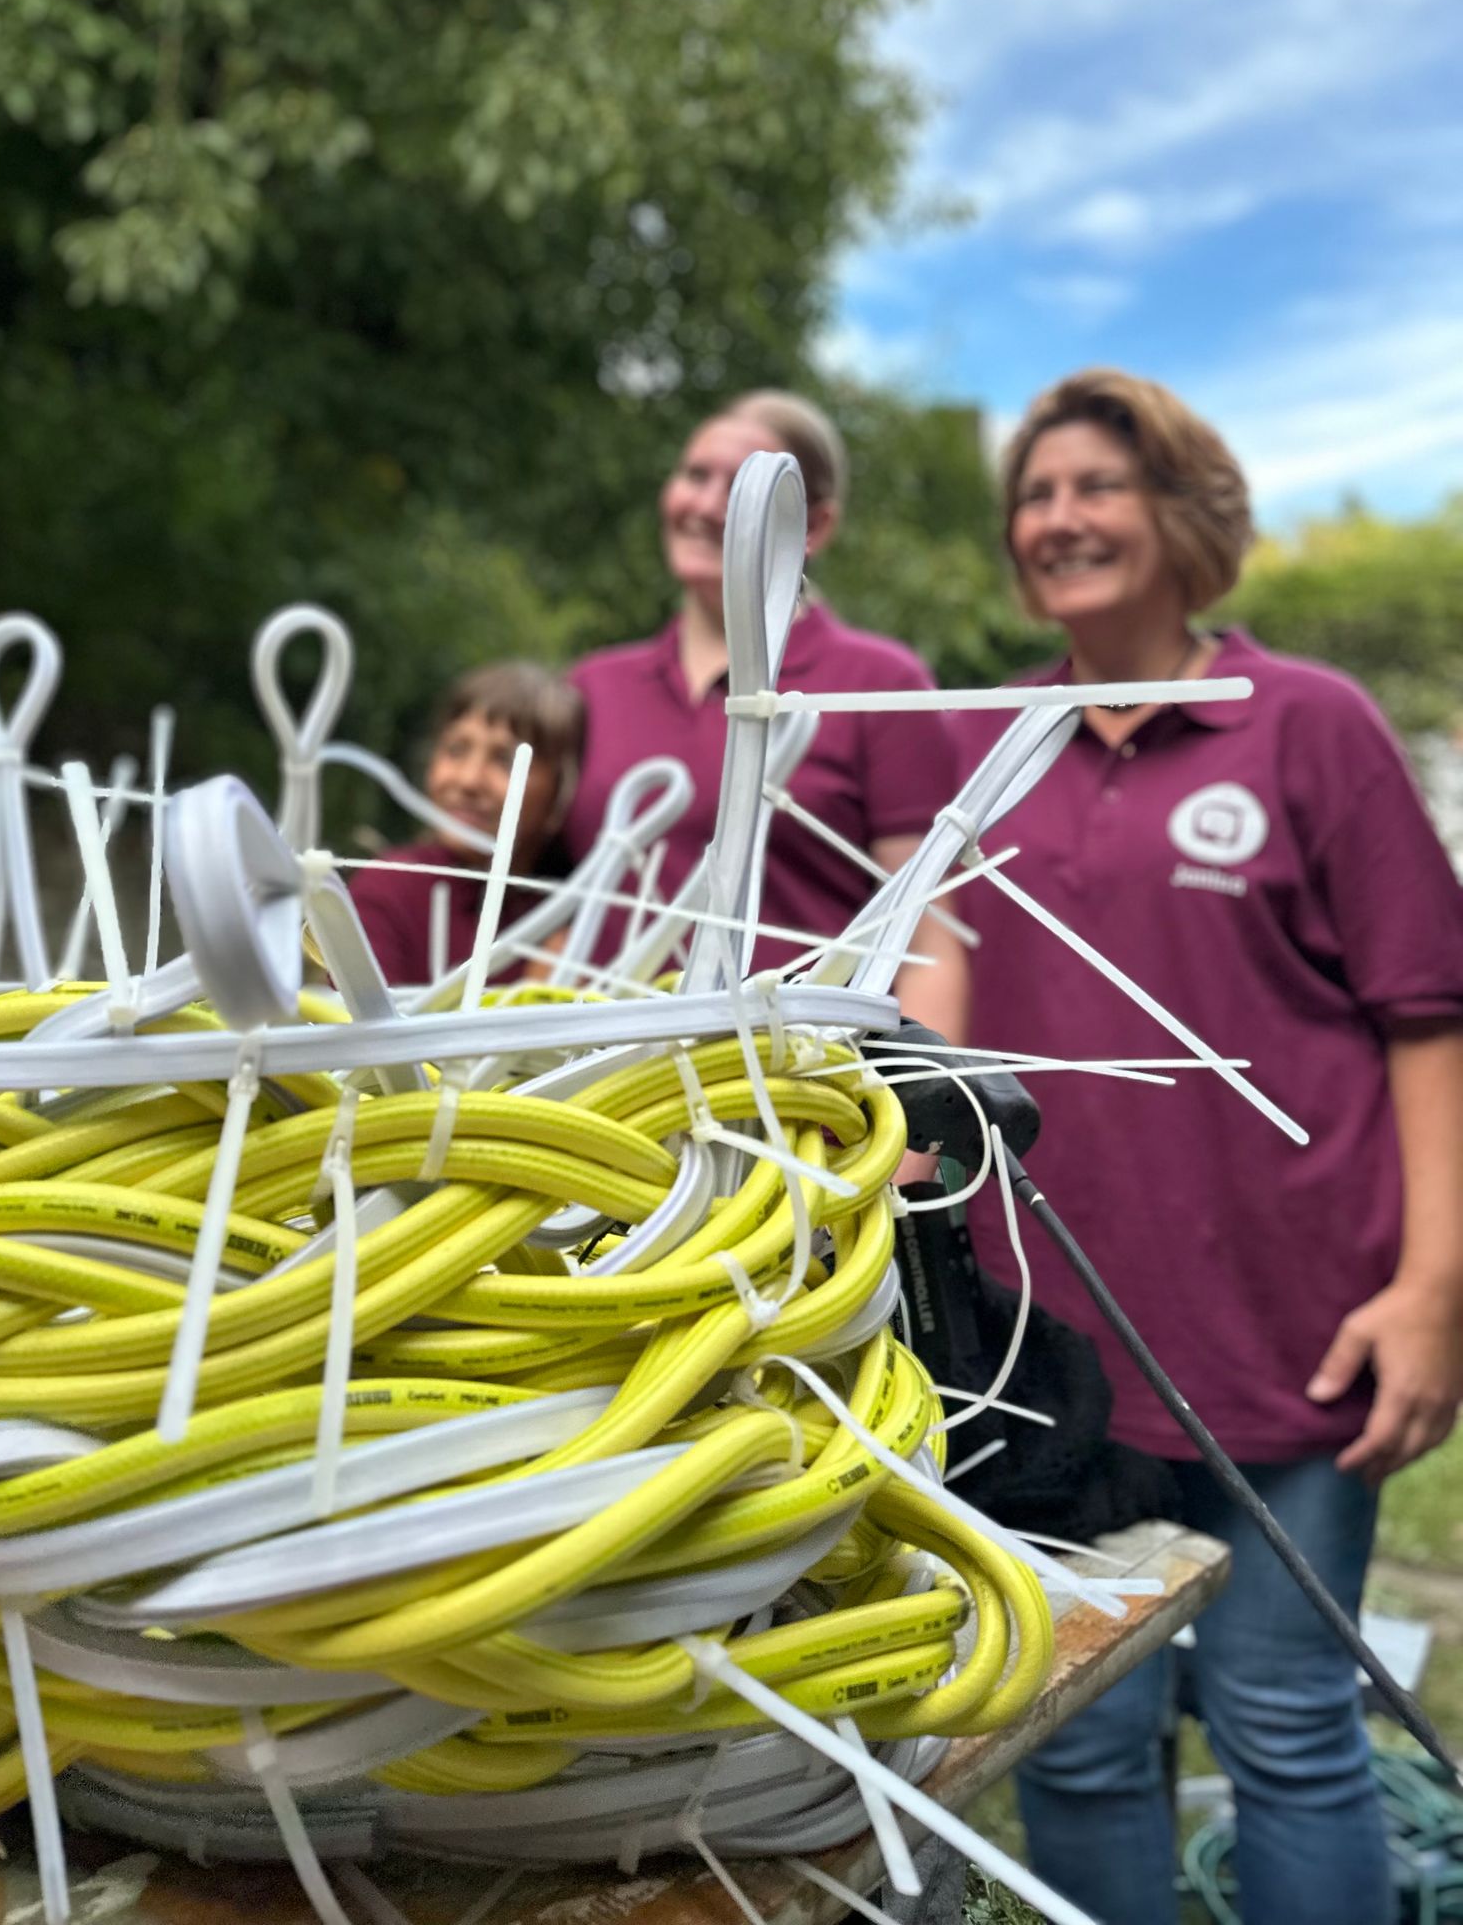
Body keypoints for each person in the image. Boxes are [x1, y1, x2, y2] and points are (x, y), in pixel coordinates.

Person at [956, 368, 1463, 1925]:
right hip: (1043, 1359)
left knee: (1289, 1728)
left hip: (1292, 1335)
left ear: (1182, 513)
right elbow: (929, 1004)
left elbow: (1430, 1018)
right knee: (1079, 1745)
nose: (1059, 519)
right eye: (1036, 495)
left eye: (1096, 487)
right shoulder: (984, 747)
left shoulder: (1307, 724)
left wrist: (1436, 1289)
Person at [564, 390, 967, 1028]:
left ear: (815, 527)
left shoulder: (881, 684)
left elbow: (927, 949)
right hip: (594, 1078)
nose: (705, 505)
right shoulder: (593, 687)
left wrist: (924, 1090)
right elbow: (545, 910)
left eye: (740, 487)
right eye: (695, 475)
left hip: (795, 1078)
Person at [348, 660, 582, 987]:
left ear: (564, 788)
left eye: (505, 760)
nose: (469, 780)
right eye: (456, 750)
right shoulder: (389, 889)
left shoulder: (583, 914)